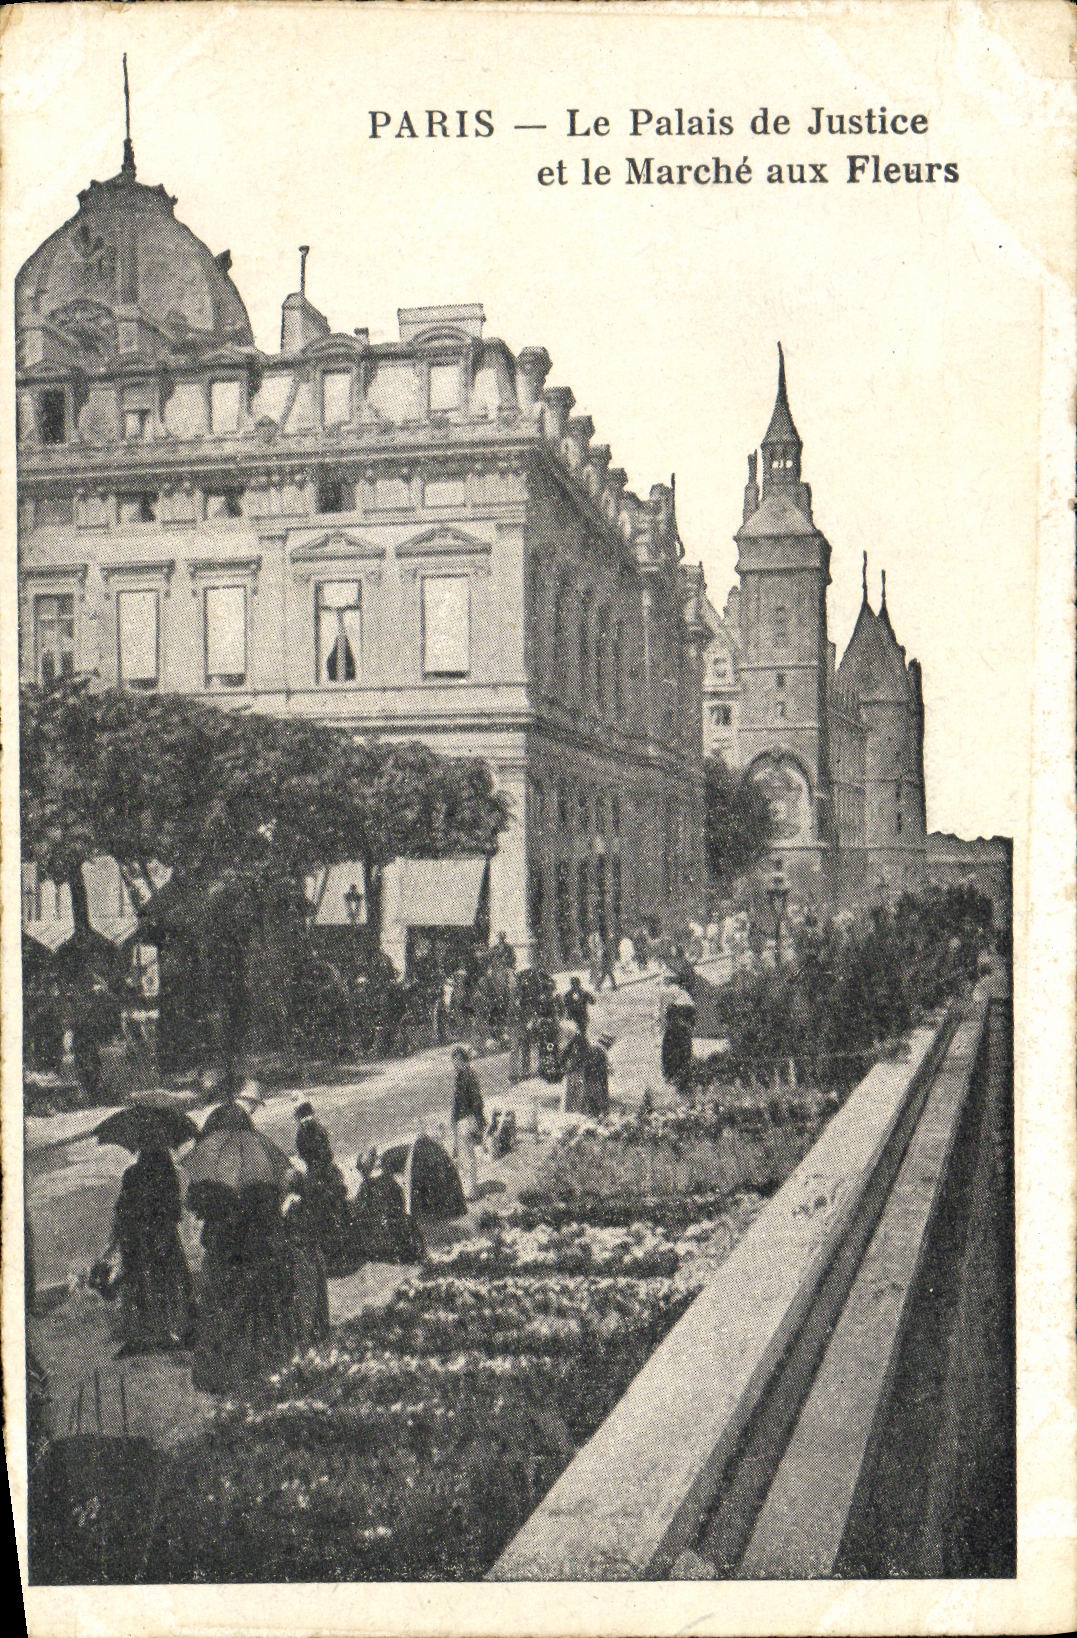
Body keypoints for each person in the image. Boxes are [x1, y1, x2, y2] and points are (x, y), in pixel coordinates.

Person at [187, 1177, 294, 1393]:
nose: (197, 1216)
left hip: (233, 1288)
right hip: (231, 1286)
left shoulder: (229, 1226)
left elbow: (228, 1261)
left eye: (200, 1211)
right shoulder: (229, 1222)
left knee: (232, 1331)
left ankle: (229, 1377)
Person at [107, 1139, 193, 1358]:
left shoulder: (132, 1174)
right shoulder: (169, 1175)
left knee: (142, 1286)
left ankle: (146, 1330)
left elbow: (122, 1210)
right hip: (163, 1237)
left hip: (137, 1240)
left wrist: (116, 1241)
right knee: (168, 1284)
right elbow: (175, 1213)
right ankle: (168, 1329)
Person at [450, 1045, 484, 1201]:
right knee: (464, 1157)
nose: (454, 1065)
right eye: (453, 1062)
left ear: (463, 1060)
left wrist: (476, 1120)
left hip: (467, 1119)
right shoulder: (461, 1076)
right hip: (462, 1120)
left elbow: (477, 1101)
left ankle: (471, 1191)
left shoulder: (468, 1076)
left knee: (467, 1156)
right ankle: (469, 1189)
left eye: (456, 1061)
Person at [661, 1001, 695, 1099]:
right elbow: (666, 1052)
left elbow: (667, 1053)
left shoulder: (675, 1031)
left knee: (681, 1092)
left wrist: (668, 1071)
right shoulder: (678, 1031)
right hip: (678, 1066)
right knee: (681, 1092)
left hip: (678, 1066)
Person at [584, 1034, 613, 1119]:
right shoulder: (599, 1051)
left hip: (593, 1080)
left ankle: (595, 1116)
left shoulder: (594, 1049)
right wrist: (607, 1069)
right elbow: (597, 1067)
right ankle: (598, 1117)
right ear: (606, 1043)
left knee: (593, 1101)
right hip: (597, 1080)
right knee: (598, 1100)